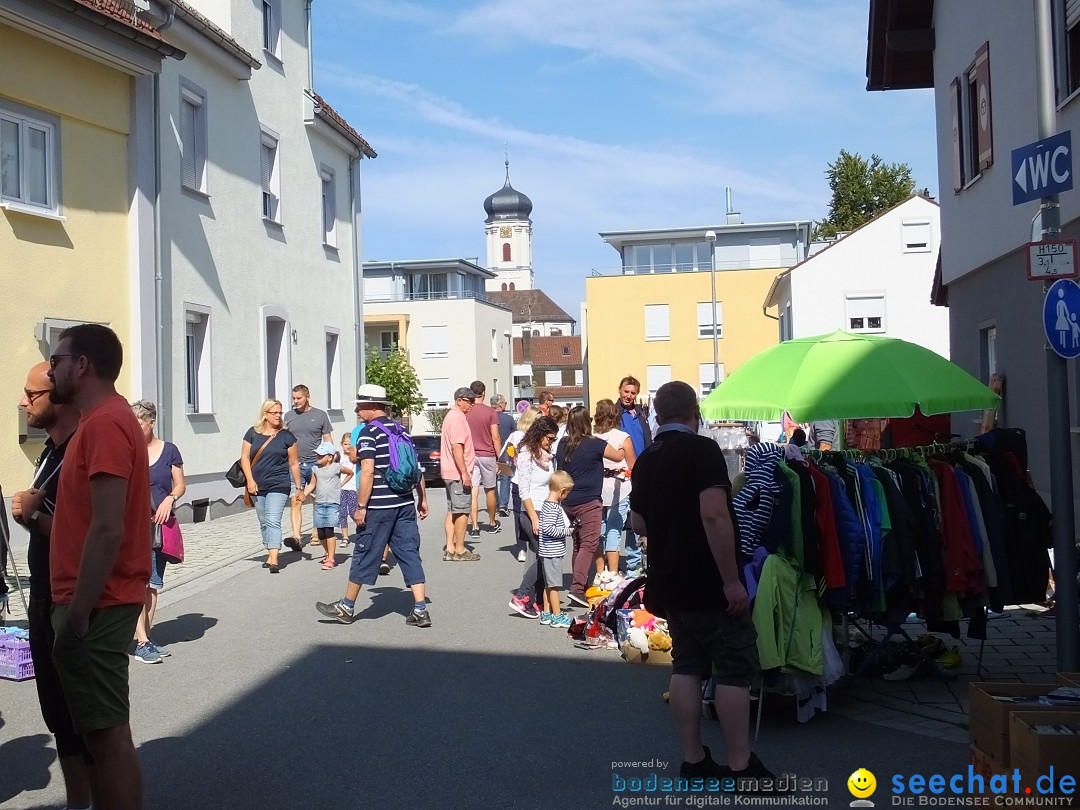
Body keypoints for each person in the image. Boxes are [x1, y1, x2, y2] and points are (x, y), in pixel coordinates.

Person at [629, 380, 773, 783]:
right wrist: (731, 581)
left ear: (657, 415)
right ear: (694, 412)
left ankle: (693, 759)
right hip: (707, 578)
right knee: (733, 669)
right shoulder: (702, 449)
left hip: (668, 577)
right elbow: (713, 513)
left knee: (688, 665)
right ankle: (741, 765)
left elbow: (639, 521)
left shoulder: (647, 458)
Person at [45, 323, 154, 809]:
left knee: (108, 739)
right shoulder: (102, 421)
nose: (51, 370)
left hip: (97, 604)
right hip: (93, 601)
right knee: (99, 736)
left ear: (82, 365)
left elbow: (108, 529)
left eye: (56, 360)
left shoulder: (107, 422)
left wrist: (81, 611)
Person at [11, 362, 93, 810]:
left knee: (87, 722)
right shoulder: (49, 451)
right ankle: (77, 803)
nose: (23, 402)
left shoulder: (80, 451)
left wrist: (34, 517)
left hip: (71, 600)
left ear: (58, 398)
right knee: (59, 718)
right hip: (44, 594)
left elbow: (90, 533)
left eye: (31, 394)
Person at [316, 384, 431, 626]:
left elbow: (367, 472)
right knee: (409, 552)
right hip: (405, 503)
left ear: (372, 406)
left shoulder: (369, 433)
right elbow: (416, 470)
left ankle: (346, 607)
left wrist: (361, 506)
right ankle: (420, 609)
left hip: (378, 507)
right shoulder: (402, 431)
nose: (357, 409)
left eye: (360, 405)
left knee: (365, 552)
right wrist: (422, 499)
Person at [131, 400, 185, 665]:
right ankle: (141, 641)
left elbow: (180, 484)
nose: (134, 427)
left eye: (139, 422)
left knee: (152, 587)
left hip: (159, 529)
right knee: (137, 585)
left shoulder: (169, 450)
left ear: (151, 423)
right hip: (133, 527)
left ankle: (146, 638)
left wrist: (170, 499)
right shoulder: (128, 450)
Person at [556, 406, 624, 607]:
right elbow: (618, 456)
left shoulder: (563, 443)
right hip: (589, 500)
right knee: (589, 543)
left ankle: (582, 584)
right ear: (587, 422)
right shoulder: (595, 444)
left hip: (568, 499)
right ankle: (577, 588)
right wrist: (623, 440)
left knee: (578, 544)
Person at [241, 399, 302, 573]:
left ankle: (274, 559)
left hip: (279, 484)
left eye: (279, 412)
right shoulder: (253, 433)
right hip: (257, 485)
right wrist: (250, 480)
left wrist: (298, 487)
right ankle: (270, 552)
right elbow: (245, 458)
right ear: (265, 415)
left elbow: (294, 463)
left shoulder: (287, 436)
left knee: (273, 519)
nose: (277, 416)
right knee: (263, 522)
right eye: (274, 413)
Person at [507, 415, 559, 619]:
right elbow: (524, 491)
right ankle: (521, 597)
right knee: (546, 556)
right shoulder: (526, 455)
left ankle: (535, 599)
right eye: (549, 438)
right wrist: (534, 519)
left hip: (545, 510)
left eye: (553, 439)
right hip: (531, 512)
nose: (551, 442)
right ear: (539, 434)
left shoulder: (546, 454)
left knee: (541, 556)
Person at [283, 384, 332, 548]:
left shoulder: (320, 415)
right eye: (294, 398)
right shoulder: (289, 416)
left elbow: (327, 439)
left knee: (316, 500)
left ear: (307, 396)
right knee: (295, 500)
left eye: (299, 398)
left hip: (315, 464)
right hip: (295, 464)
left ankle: (316, 531)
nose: (296, 401)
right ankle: (296, 536)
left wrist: (329, 461)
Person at [593, 399, 638, 575]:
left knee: (598, 531)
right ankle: (612, 573)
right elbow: (633, 466)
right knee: (614, 530)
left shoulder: (591, 436)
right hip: (620, 487)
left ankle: (599, 572)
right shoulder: (622, 437)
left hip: (596, 487)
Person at [441, 387, 479, 561]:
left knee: (452, 511)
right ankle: (460, 549)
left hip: (450, 472)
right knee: (462, 511)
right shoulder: (457, 418)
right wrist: (465, 473)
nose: (472, 404)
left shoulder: (451, 416)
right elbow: (457, 447)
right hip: (457, 473)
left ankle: (450, 547)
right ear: (459, 400)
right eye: (469, 401)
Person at [302, 441, 353, 570]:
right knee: (320, 533)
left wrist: (340, 485)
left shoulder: (336, 467)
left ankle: (331, 558)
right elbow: (312, 485)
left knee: (329, 530)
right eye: (317, 455)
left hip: (333, 503)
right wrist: (304, 494)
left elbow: (350, 473)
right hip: (319, 503)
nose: (318, 458)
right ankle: (327, 551)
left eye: (321, 455)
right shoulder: (315, 469)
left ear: (330, 457)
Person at [538, 470, 575, 628]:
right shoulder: (553, 508)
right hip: (553, 552)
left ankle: (546, 612)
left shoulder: (547, 504)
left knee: (548, 583)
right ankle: (557, 615)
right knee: (554, 585)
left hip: (547, 551)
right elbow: (549, 529)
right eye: (567, 494)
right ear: (562, 491)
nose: (566, 497)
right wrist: (569, 531)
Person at [502, 406, 539, 562]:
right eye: (538, 419)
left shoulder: (540, 437)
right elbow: (505, 455)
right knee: (519, 514)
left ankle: (533, 543)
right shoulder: (517, 435)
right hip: (519, 480)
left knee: (534, 513)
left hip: (536, 481)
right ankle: (521, 547)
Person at [466, 380, 501, 537]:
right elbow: (495, 436)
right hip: (488, 455)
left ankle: (474, 527)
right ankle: (492, 523)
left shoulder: (466, 411)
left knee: (473, 492)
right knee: (490, 490)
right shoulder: (490, 412)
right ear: (484, 393)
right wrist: (500, 457)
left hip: (471, 456)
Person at [493, 394, 516, 517]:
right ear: (500, 404)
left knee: (491, 480)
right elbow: (515, 436)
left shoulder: (488, 418)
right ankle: (503, 505)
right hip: (506, 453)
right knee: (505, 478)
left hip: (490, 453)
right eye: (505, 403)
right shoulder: (509, 419)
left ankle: (494, 504)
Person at [618, 376, 652, 456]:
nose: (629, 396)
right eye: (626, 391)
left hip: (643, 464)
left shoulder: (641, 413)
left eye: (633, 393)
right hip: (624, 466)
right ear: (619, 390)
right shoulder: (613, 413)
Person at [338, 432, 358, 548]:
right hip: (341, 488)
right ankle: (345, 536)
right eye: (345, 444)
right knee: (342, 513)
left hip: (353, 488)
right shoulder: (339, 457)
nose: (347, 446)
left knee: (352, 512)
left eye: (349, 444)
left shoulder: (356, 457)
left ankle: (361, 530)